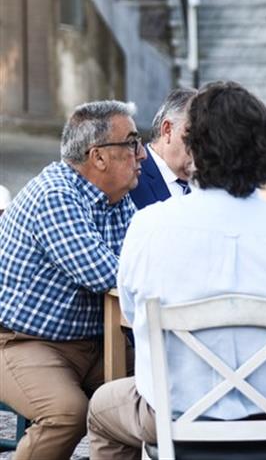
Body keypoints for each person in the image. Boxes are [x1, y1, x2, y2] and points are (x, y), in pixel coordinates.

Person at [87, 81, 266, 460]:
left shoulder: (149, 226)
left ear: (194, 148)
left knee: (102, 410)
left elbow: (134, 315)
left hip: (175, 413)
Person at [0, 100, 144, 460]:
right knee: (66, 414)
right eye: (131, 143)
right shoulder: (56, 195)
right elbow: (106, 274)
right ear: (98, 156)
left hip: (97, 343)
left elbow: (145, 264)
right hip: (23, 341)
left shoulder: (116, 199)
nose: (141, 153)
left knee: (169, 386)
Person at [129, 87, 197, 209]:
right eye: (195, 133)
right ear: (167, 130)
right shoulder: (130, 177)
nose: (204, 144)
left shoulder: (211, 182)